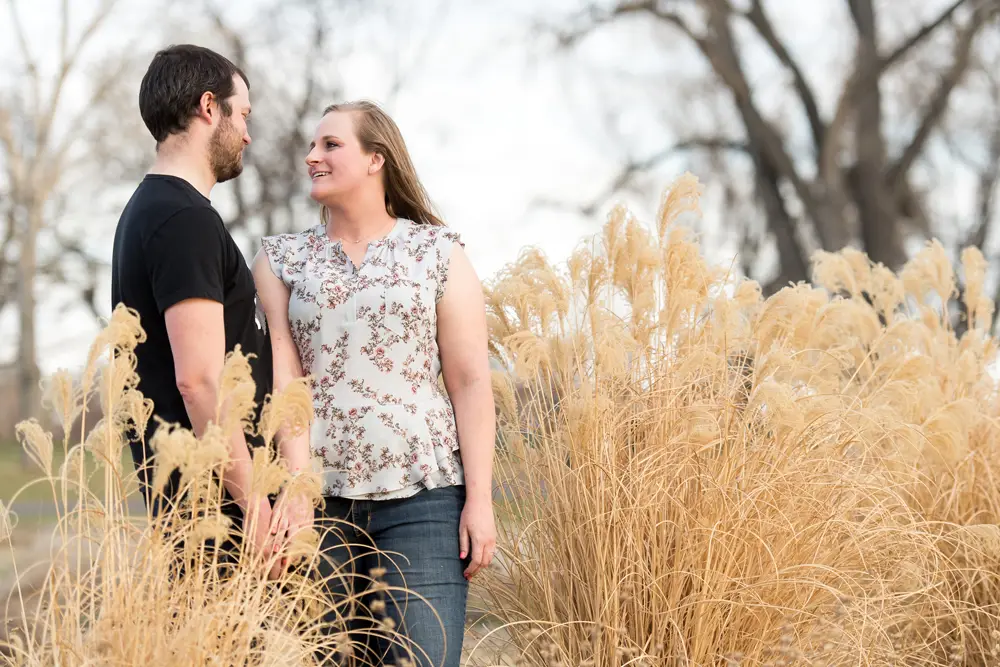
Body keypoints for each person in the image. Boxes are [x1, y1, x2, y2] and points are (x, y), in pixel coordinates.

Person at [252, 100, 497, 666]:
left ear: (375, 160)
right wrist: (294, 489)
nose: (312, 156)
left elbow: (469, 381)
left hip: (425, 500)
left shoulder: (438, 254)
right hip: (322, 502)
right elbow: (285, 375)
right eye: (312, 146)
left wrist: (479, 498)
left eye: (330, 145)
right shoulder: (282, 259)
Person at [110, 44, 281, 578]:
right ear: (210, 107)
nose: (248, 134)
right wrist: (254, 511)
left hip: (209, 509)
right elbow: (200, 381)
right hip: (220, 520)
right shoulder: (182, 219)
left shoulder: (155, 210)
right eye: (244, 114)